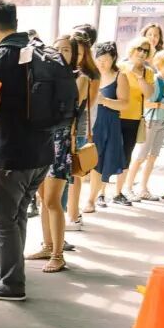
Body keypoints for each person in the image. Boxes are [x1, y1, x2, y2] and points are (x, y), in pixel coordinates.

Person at [0, 0, 52, 302]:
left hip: (11, 152)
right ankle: (5, 273)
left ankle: (12, 283)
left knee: (1, 220)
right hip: (42, 152)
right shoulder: (36, 50)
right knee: (16, 217)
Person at [27, 34, 90, 273]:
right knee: (43, 198)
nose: (60, 53)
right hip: (42, 139)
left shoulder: (80, 78)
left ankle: (58, 254)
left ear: (74, 55)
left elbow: (68, 103)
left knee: (53, 200)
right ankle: (47, 245)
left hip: (61, 142)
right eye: (57, 49)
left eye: (66, 50)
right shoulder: (46, 75)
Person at [83, 42, 129, 214]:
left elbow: (125, 103)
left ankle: (91, 200)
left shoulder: (120, 76)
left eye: (106, 60)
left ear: (113, 59)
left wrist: (105, 101)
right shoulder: (89, 75)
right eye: (99, 59)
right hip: (89, 122)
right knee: (84, 162)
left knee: (99, 164)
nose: (102, 63)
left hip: (108, 123)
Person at [62, 28, 100, 231]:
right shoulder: (64, 72)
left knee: (75, 171)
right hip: (68, 127)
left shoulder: (87, 76)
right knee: (66, 173)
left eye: (79, 53)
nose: (76, 56)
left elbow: (86, 104)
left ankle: (73, 214)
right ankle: (71, 214)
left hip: (77, 126)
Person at [129, 49, 164, 201]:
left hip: (162, 122)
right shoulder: (155, 80)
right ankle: (128, 188)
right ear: (161, 63)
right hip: (151, 121)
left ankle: (143, 188)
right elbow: (146, 103)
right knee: (141, 157)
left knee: (152, 157)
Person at [116, 37, 156, 205]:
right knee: (109, 154)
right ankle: (101, 194)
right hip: (115, 116)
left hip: (133, 119)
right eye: (139, 48)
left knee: (126, 156)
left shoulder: (148, 72)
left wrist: (139, 76)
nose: (142, 53)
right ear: (132, 49)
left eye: (146, 50)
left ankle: (118, 192)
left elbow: (149, 94)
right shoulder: (120, 67)